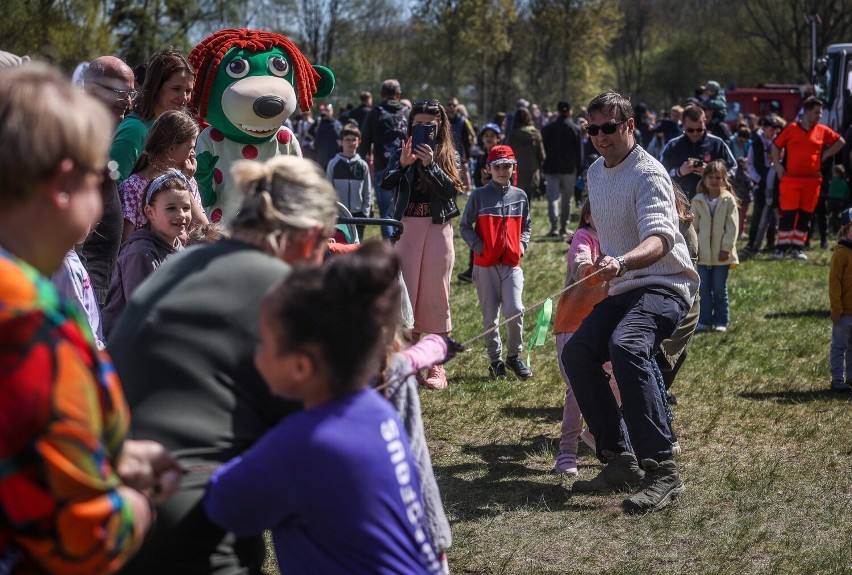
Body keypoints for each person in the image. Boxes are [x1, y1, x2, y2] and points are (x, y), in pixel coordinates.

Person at [108, 155, 338, 575]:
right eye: (324, 249)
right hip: (196, 521)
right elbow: (316, 434)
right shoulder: (280, 291)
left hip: (111, 511)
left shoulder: (178, 265)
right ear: (309, 239)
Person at [0, 62, 182, 575]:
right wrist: (138, 504)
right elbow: (84, 534)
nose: (107, 181)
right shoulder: (26, 327)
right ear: (62, 184)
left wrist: (109, 457)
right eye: (99, 169)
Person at [204, 242, 443, 575]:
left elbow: (223, 505)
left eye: (264, 345)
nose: (254, 355)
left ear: (301, 367)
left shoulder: (302, 442)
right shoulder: (376, 410)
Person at [561, 91, 698, 514]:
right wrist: (601, 263)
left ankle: (662, 471)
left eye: (609, 128)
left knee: (627, 345)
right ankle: (618, 458)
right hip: (622, 287)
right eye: (593, 129)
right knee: (580, 351)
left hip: (665, 284)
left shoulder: (649, 174)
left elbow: (661, 239)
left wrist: (621, 261)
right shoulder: (597, 173)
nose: (600, 137)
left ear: (629, 127)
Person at [382, 99, 464, 389]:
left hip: (438, 227)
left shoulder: (447, 153)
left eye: (429, 125)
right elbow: (386, 183)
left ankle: (436, 366)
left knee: (435, 294)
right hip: (407, 227)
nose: (423, 130)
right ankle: (408, 362)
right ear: (410, 124)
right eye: (418, 125)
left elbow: (453, 191)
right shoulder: (401, 150)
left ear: (440, 125)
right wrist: (404, 165)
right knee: (407, 293)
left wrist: (430, 165)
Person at [552, 199, 620, 475]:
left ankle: (593, 431)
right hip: (573, 323)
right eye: (598, 214)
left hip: (605, 323)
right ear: (588, 217)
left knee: (617, 382)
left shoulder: (620, 242)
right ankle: (566, 453)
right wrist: (592, 270)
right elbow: (581, 260)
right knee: (579, 389)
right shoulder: (584, 237)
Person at [459, 144, 533, 380]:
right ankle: (495, 361)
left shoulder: (520, 196)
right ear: (489, 169)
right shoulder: (479, 196)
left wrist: (521, 245)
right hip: (485, 266)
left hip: (512, 265)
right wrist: (480, 248)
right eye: (498, 166)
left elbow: (527, 226)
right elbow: (464, 226)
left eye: (507, 166)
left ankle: (514, 356)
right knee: (490, 317)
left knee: (515, 310)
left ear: (513, 168)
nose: (502, 170)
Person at [102, 170, 192, 338]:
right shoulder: (141, 253)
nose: (181, 215)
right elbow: (143, 312)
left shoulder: (178, 247)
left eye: (186, 208)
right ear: (150, 212)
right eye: (171, 208)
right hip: (129, 347)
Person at [79, 55, 137, 305]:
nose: (128, 102)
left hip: (96, 290)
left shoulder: (99, 140)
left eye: (132, 94)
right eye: (120, 91)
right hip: (80, 289)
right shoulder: (78, 142)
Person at [771, 96, 845, 260]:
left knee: (806, 215)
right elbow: (775, 147)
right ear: (806, 112)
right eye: (816, 112)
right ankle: (781, 247)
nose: (819, 116)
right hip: (791, 179)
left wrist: (826, 153)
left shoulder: (822, 130)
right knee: (788, 214)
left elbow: (840, 141)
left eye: (820, 113)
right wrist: (778, 166)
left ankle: (797, 247)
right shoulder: (791, 129)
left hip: (812, 180)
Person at [118, 108, 208, 241]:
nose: (193, 154)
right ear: (171, 148)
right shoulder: (133, 187)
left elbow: (204, 230)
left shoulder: (187, 179)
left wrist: (186, 183)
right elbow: (127, 240)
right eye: (190, 148)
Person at [110, 48, 195, 183]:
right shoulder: (136, 129)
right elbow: (113, 185)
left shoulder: (173, 130)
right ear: (156, 87)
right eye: (176, 89)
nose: (184, 97)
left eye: (188, 90)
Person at [691, 161, 739, 332]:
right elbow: (693, 228)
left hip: (722, 254)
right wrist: (693, 249)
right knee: (703, 287)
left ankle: (721, 320)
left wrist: (726, 249)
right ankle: (704, 320)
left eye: (718, 177)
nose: (714, 181)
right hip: (702, 254)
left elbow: (732, 227)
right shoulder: (697, 201)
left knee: (719, 288)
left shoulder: (728, 200)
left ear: (724, 180)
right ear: (704, 179)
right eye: (710, 177)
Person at [359, 79, 409, 239]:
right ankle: (405, 248)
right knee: (407, 213)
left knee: (386, 214)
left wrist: (360, 164)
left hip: (383, 169)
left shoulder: (374, 113)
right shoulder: (408, 112)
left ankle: (390, 251)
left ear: (381, 95)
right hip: (407, 169)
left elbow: (364, 141)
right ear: (398, 95)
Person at [458, 122, 503, 284]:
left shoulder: (500, 156)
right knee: (478, 235)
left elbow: (506, 179)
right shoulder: (483, 156)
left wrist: (489, 180)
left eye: (492, 136)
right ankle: (474, 269)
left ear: (498, 138)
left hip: (497, 202)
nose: (489, 139)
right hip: (483, 201)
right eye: (486, 136)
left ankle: (496, 269)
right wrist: (483, 180)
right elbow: (477, 177)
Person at [661, 104, 736, 198]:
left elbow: (733, 169)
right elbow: (660, 173)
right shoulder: (673, 145)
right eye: (690, 130)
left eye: (699, 129)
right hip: (680, 203)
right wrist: (679, 171)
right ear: (683, 124)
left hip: (711, 202)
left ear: (705, 122)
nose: (695, 133)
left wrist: (711, 173)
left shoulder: (717, 143)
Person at [541, 100, 583, 237]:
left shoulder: (547, 128)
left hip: (551, 167)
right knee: (567, 200)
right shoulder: (575, 129)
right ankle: (564, 227)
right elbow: (579, 151)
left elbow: (543, 150)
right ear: (569, 111)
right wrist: (580, 168)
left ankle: (553, 227)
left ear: (558, 111)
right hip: (569, 169)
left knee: (553, 198)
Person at [326, 124, 371, 240]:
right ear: (341, 141)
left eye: (354, 139)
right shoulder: (333, 164)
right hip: (339, 214)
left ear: (359, 141)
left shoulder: (363, 165)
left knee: (356, 248)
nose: (351, 143)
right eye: (347, 139)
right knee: (340, 247)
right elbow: (328, 190)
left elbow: (367, 191)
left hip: (358, 215)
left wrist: (365, 213)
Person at [829, 208, 852, 393]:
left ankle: (850, 377)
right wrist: (836, 308)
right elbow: (834, 283)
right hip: (843, 312)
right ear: (845, 229)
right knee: (840, 346)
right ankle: (837, 379)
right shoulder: (841, 254)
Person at [507, 107, 545, 201]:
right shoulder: (536, 134)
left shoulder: (512, 135)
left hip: (516, 171)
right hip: (532, 171)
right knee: (527, 200)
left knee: (515, 200)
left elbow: (507, 153)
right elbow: (542, 155)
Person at [446, 97, 475, 191]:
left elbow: (466, 140)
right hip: (446, 151)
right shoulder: (443, 120)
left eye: (454, 105)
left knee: (464, 171)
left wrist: (467, 154)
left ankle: (467, 190)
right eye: (449, 105)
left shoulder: (463, 121)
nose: (451, 107)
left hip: (460, 152)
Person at [309, 102, 343, 171]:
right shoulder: (320, 123)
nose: (327, 112)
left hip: (334, 154)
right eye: (325, 110)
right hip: (321, 156)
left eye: (328, 110)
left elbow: (341, 139)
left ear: (332, 111)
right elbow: (311, 132)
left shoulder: (337, 124)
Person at [828, 164, 851, 235]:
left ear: (837, 173)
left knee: (827, 214)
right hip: (840, 201)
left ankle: (827, 228)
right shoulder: (844, 183)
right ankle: (836, 230)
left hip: (831, 199)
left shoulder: (833, 181)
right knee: (837, 215)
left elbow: (829, 188)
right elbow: (847, 192)